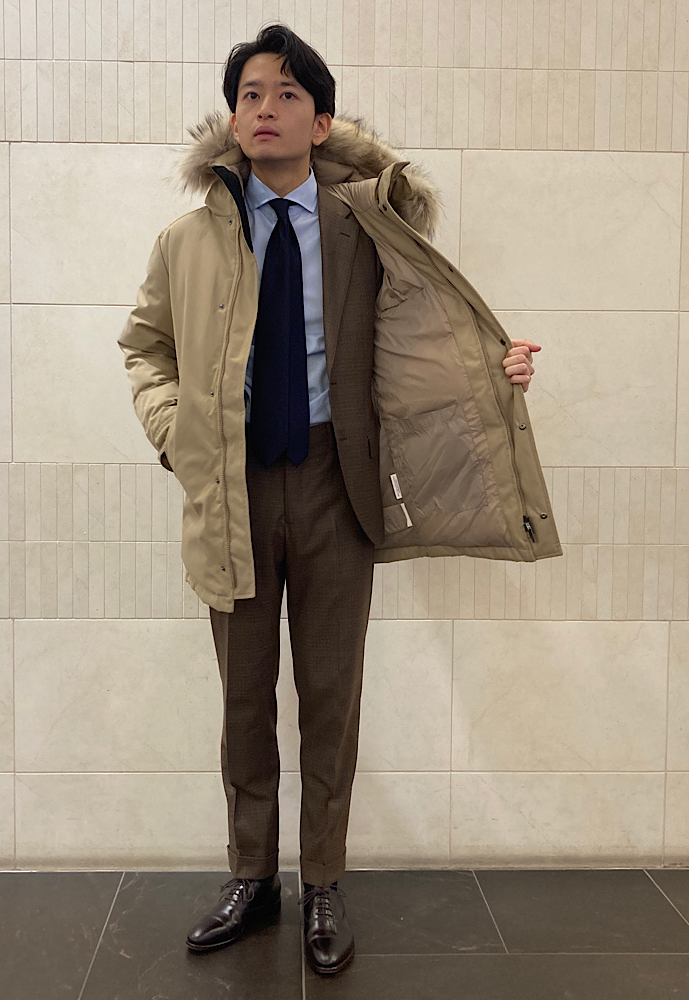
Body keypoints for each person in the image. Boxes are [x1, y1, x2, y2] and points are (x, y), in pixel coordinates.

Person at [118, 24, 559, 977]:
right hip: (230, 489)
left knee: (330, 695)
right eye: (249, 94)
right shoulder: (186, 240)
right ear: (232, 117)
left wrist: (496, 370)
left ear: (321, 120)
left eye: (286, 94)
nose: (264, 109)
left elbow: (426, 335)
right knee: (243, 700)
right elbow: (145, 348)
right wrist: (176, 432)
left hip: (334, 485)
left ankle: (322, 878)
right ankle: (251, 877)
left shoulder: (367, 229)